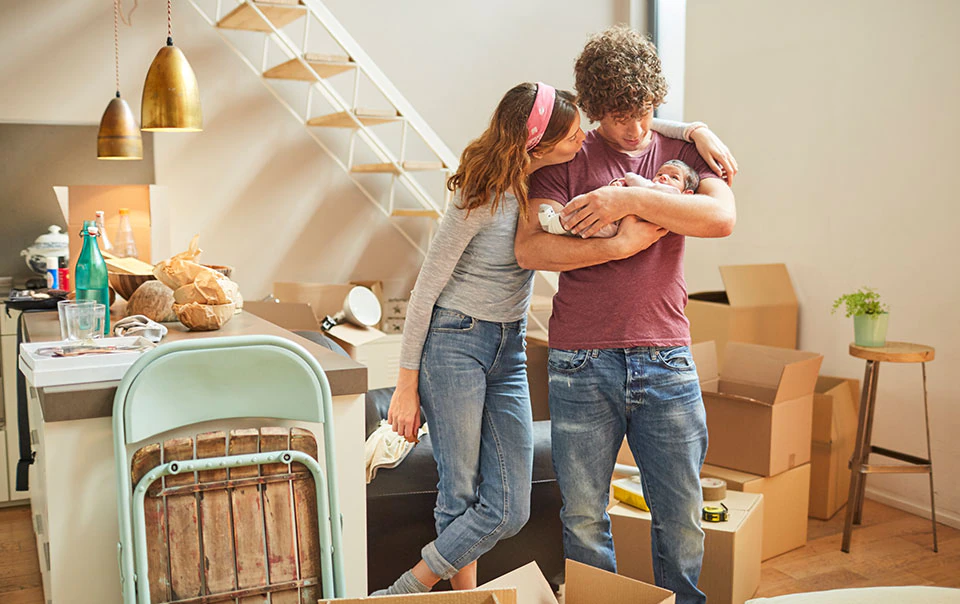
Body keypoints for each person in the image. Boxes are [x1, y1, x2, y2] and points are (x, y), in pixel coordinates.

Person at [376, 80, 734, 596]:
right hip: (457, 339)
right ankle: (435, 594)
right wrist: (406, 386)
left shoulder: (544, 179)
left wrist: (694, 130)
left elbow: (630, 131)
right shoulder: (481, 194)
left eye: (644, 113)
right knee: (460, 491)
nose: (583, 140)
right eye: (571, 136)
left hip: (511, 347)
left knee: (511, 507)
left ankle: (416, 584)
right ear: (536, 143)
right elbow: (428, 288)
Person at [514, 26, 738, 604]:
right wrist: (614, 245)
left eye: (643, 113)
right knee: (586, 516)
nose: (635, 130)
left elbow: (720, 219)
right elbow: (532, 248)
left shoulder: (684, 151)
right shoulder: (565, 156)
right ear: (593, 110)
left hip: (666, 356)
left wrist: (629, 198)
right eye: (618, 118)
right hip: (579, 362)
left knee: (683, 515)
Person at [538, 159, 700, 237]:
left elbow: (639, 185)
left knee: (585, 215)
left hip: (616, 226)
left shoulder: (671, 196)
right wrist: (618, 185)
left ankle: (555, 224)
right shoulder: (652, 189)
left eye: (674, 177)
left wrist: (628, 178)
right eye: (660, 174)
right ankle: (559, 223)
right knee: (586, 207)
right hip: (617, 221)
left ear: (687, 194)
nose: (664, 177)